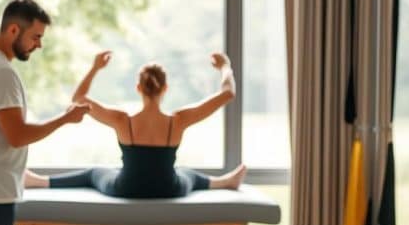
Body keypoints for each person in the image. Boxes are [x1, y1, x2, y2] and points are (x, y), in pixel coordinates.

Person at [0, 0, 90, 225]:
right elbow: (17, 136)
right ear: (14, 30)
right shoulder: (1, 72)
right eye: (35, 37)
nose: (38, 45)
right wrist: (66, 119)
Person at [24, 51, 246, 198]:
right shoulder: (178, 121)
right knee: (187, 174)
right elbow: (228, 94)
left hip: (127, 188)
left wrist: (95, 68)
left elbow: (78, 99)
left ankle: (40, 181)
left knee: (94, 172)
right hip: (168, 189)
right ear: (165, 89)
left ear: (138, 88)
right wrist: (226, 67)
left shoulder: (123, 121)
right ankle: (224, 182)